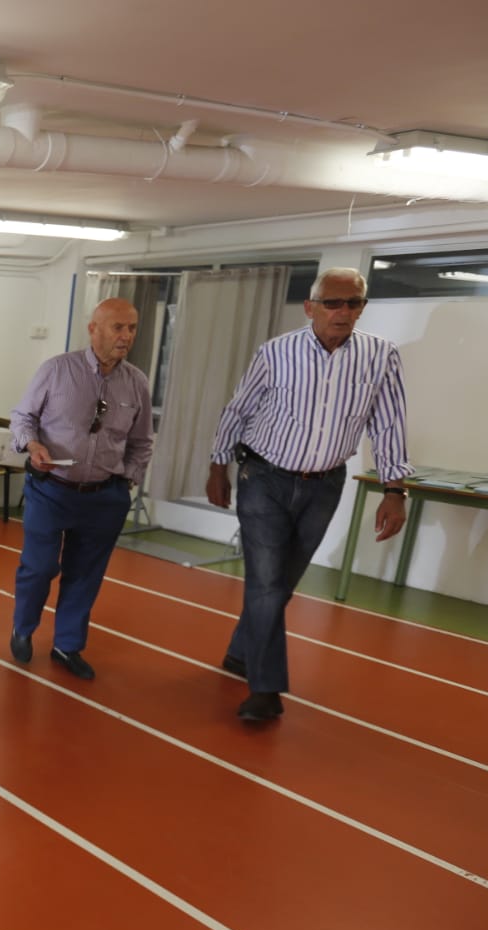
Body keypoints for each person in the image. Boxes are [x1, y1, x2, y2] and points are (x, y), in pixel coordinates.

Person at [206, 267, 411, 722]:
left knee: (281, 586)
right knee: (265, 581)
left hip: (325, 484)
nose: (343, 312)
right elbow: (238, 408)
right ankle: (265, 689)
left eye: (353, 303)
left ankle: (243, 653)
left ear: (362, 307)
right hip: (264, 478)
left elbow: (389, 424)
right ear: (310, 306)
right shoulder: (277, 352)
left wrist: (394, 489)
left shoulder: (381, 356)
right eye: (333, 303)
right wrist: (217, 464)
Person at [7, 298, 155, 681]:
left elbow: (142, 441)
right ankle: (23, 628)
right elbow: (23, 417)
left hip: (105, 495)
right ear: (94, 329)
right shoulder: (57, 370)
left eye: (132, 328)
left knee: (85, 573)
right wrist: (32, 445)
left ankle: (67, 645)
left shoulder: (136, 382)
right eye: (117, 327)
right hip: (51, 488)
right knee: (40, 567)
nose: (126, 336)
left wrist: (128, 480)